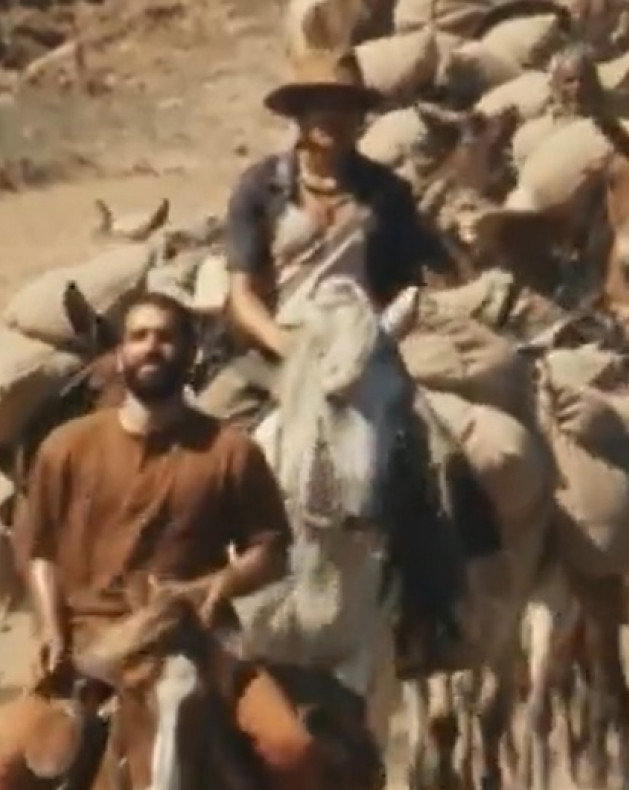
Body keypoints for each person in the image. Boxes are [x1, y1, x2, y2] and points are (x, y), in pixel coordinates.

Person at [0, 290, 348, 790]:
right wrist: (54, 626)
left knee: (291, 750)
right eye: (141, 336)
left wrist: (218, 583)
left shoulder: (228, 451)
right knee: (7, 759)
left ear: (191, 354)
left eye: (168, 338)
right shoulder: (68, 446)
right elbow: (41, 549)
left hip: (197, 643)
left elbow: (271, 552)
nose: (153, 348)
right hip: (91, 646)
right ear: (121, 352)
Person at [207, 46, 498, 678]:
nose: (329, 118)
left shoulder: (387, 193)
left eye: (342, 106)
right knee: (202, 450)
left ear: (358, 117)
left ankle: (432, 617)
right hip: (276, 349)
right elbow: (242, 293)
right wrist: (291, 351)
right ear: (297, 113)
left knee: (441, 458)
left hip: (364, 350)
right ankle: (193, 605)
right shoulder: (261, 187)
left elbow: (402, 283)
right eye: (317, 105)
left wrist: (390, 327)